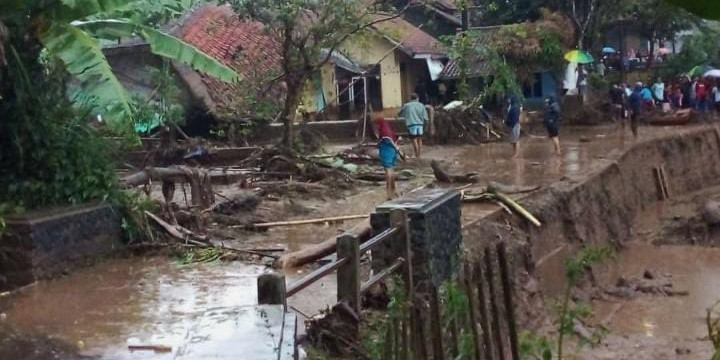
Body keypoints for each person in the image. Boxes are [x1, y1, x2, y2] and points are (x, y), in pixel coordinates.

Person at [374, 115, 400, 199]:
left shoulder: (384, 131)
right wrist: (396, 148)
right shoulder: (388, 128)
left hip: (387, 152)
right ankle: (394, 189)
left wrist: (395, 147)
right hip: (392, 152)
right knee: (391, 170)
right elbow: (394, 138)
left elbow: (388, 139)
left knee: (388, 171)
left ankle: (389, 192)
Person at [398, 93, 429, 158]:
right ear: (417, 98)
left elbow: (400, 114)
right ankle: (419, 154)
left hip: (412, 124)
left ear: (410, 98)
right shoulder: (421, 105)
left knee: (414, 139)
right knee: (419, 140)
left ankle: (416, 154)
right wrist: (426, 125)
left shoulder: (407, 105)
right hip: (420, 124)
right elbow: (426, 117)